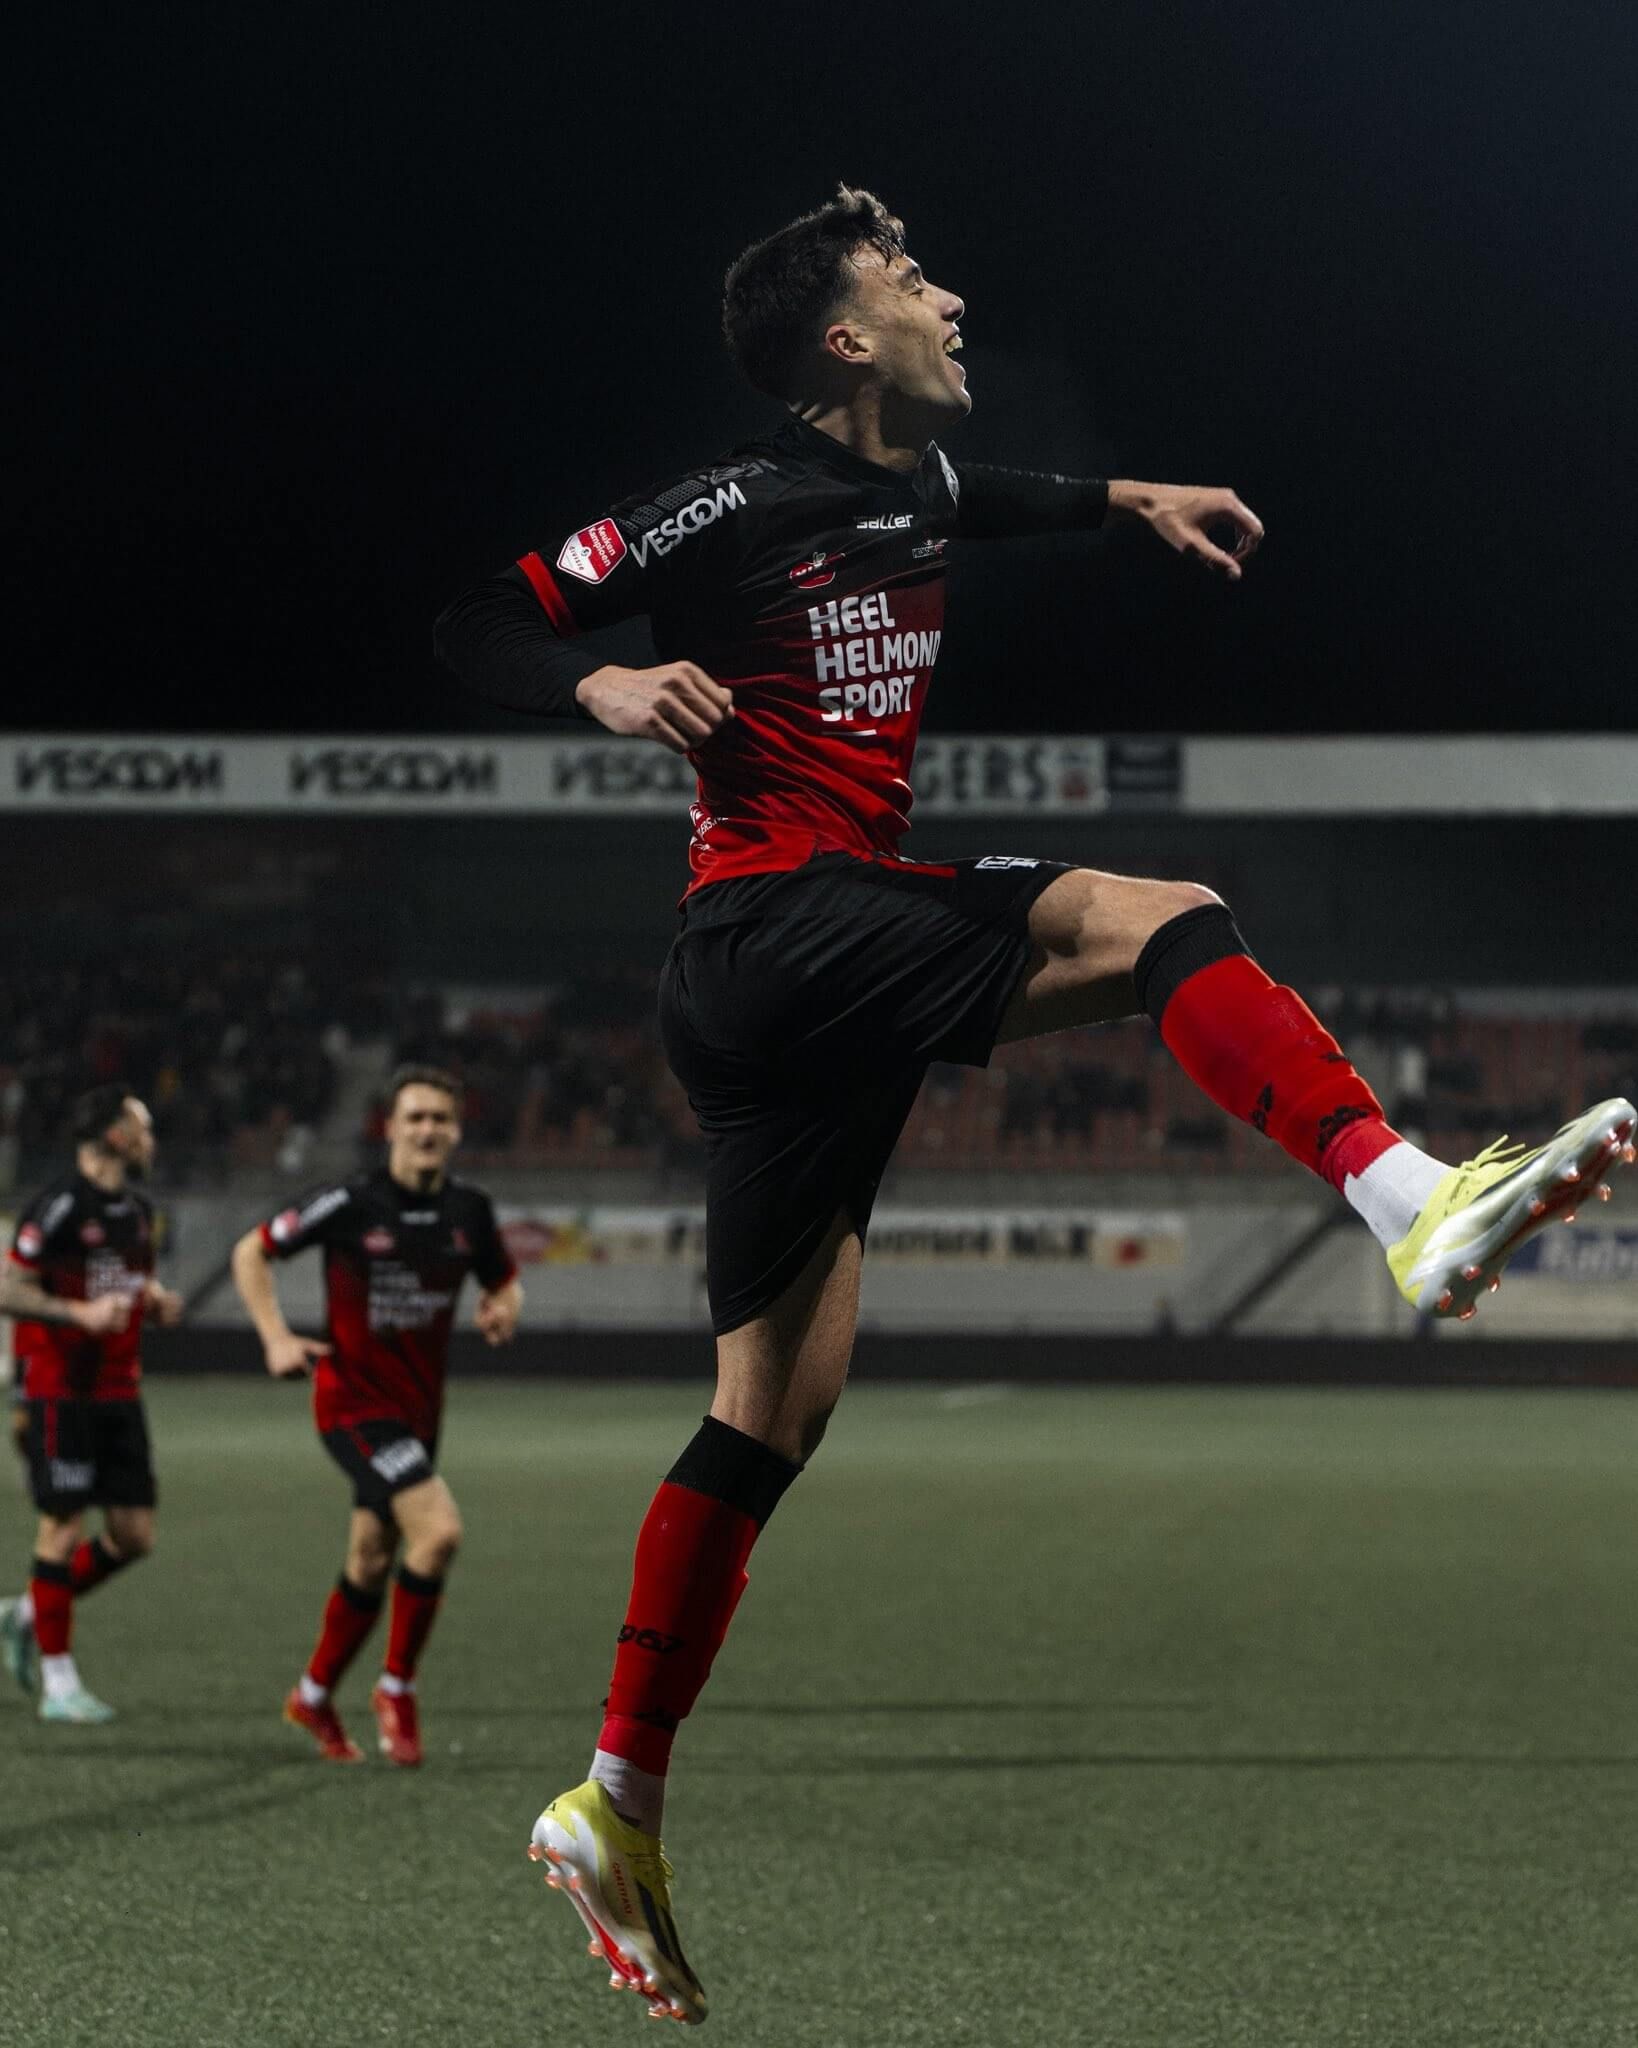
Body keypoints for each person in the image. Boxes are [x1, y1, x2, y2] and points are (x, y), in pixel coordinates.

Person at [435, 185, 1634, 2026]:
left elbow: (977, 502)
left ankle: (614, 1796)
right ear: (844, 340)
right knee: (1157, 919)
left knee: (768, 1411)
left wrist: (1126, 498)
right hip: (774, 925)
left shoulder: (915, 481)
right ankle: (1407, 1197)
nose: (948, 296)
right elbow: (480, 616)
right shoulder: (724, 503)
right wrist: (590, 671)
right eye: (909, 278)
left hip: (780, 989)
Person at [230, 1064, 522, 1767]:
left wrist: (503, 1306)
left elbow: (504, 1279)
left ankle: (312, 1695)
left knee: (370, 1557)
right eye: (414, 1117)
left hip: (420, 1412)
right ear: (389, 1127)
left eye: (440, 1119)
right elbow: (252, 1252)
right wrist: (274, 1336)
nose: (427, 1130)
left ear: (457, 1131)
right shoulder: (349, 1203)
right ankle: (397, 1687)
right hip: (353, 1405)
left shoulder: (470, 1211)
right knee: (439, 1533)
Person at [0, 1085, 183, 1722]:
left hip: (119, 1389)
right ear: (115, 1136)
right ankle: (59, 1685)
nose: (151, 1139)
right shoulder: (58, 1206)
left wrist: (154, 1300)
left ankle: (28, 1611)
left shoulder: (137, 1210)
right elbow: (8, 1288)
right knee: (63, 1526)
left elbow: (129, 1281)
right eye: (142, 1126)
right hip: (60, 1389)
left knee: (134, 1536)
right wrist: (78, 1314)